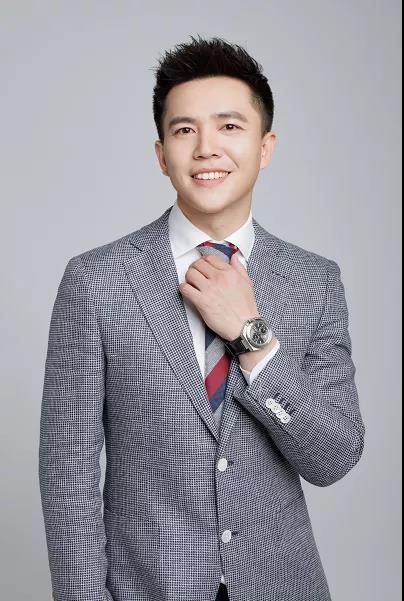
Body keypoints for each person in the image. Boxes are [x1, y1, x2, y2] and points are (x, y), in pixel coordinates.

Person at [39, 34, 365, 601]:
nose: (206, 148)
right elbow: (68, 476)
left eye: (229, 126)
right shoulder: (97, 281)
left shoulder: (314, 281)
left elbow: (333, 457)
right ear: (162, 154)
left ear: (265, 147)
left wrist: (253, 339)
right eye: (185, 130)